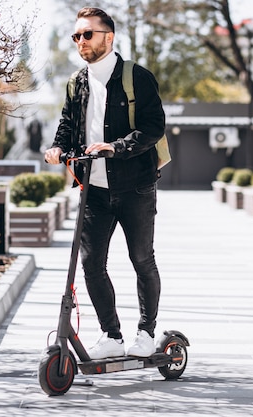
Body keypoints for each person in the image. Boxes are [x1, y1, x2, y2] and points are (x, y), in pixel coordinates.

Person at [44, 7, 166, 360]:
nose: (81, 41)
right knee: (91, 263)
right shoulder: (76, 82)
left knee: (142, 258)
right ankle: (111, 336)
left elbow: (153, 126)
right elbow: (68, 125)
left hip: (136, 187)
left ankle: (146, 332)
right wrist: (57, 148)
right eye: (76, 36)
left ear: (108, 38)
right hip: (92, 190)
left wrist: (117, 147)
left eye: (88, 34)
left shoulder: (136, 77)